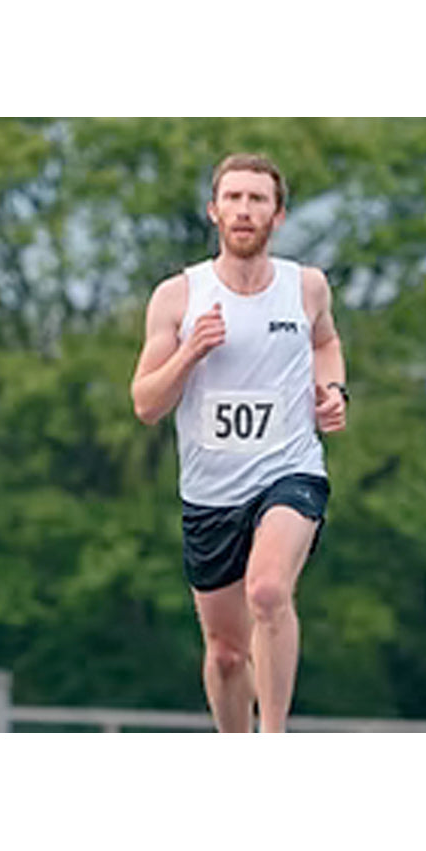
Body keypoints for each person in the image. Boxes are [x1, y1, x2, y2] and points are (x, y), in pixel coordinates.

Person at [130, 153, 348, 732]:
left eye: (257, 200)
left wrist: (333, 390)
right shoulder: (178, 298)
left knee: (270, 592)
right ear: (214, 211)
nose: (244, 210)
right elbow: (146, 404)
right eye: (234, 199)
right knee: (227, 655)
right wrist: (190, 351)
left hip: (289, 469)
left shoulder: (307, 287)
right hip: (211, 492)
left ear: (278, 216)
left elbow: (326, 344)